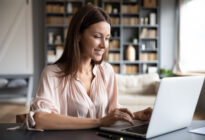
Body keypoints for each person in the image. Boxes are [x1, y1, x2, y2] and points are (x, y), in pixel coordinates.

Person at [29, 5, 152, 130]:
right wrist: (99, 122)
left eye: (107, 38)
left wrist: (137, 115)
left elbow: (110, 114)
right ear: (78, 35)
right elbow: (41, 119)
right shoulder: (52, 74)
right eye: (97, 36)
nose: (104, 45)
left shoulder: (107, 71)